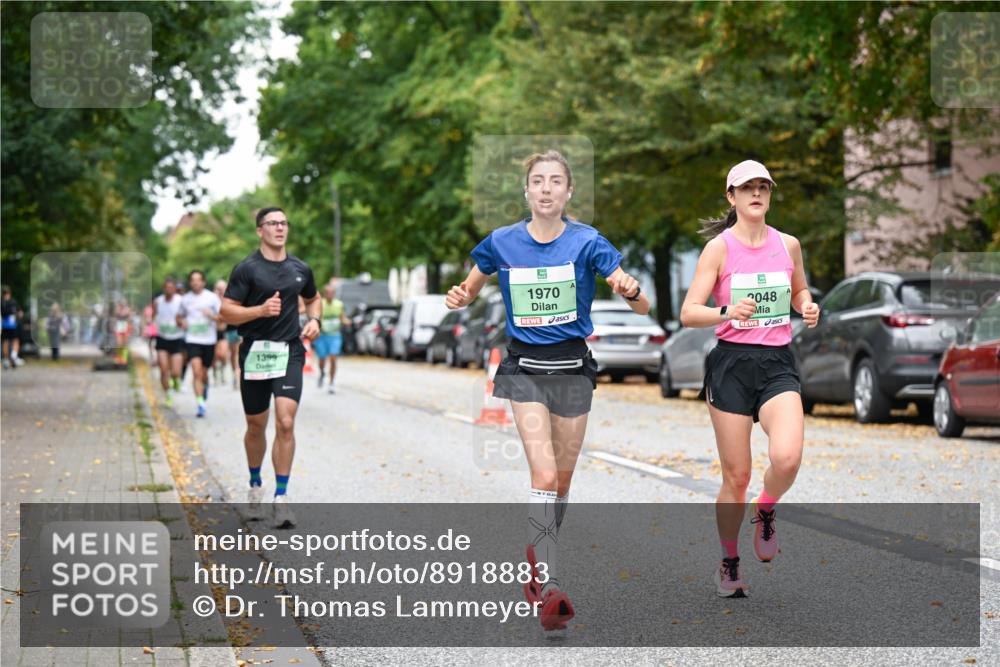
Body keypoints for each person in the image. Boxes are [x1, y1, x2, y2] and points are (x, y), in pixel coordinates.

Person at [446, 150, 649, 631]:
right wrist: (459, 295)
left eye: (556, 181)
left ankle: (537, 557)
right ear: (526, 191)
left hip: (574, 368)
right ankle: (552, 582)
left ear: (568, 192)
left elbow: (642, 308)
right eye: (538, 181)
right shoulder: (502, 242)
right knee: (541, 471)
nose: (546, 188)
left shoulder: (587, 241)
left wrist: (632, 290)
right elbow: (469, 287)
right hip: (524, 369)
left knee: (561, 481)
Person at [679, 160, 820, 599]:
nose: (756, 193)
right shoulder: (719, 249)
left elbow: (799, 290)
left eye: (763, 187)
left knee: (788, 458)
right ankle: (729, 561)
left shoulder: (788, 245)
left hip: (777, 362)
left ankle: (767, 507)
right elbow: (688, 312)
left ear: (769, 194)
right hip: (731, 365)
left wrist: (808, 305)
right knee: (736, 476)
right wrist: (727, 312)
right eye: (747, 188)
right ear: (732, 197)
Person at [221, 206, 320, 528]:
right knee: (255, 425)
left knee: (286, 422)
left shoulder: (300, 268)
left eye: (284, 223)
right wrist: (259, 311)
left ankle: (281, 497)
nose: (280, 228)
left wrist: (314, 319)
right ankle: (254, 485)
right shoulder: (247, 269)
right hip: (255, 353)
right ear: (259, 230)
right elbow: (226, 312)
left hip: (289, 351)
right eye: (272, 223)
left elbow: (313, 298)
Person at [177, 270, 222, 418]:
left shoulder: (212, 298)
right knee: (196, 371)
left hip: (209, 340)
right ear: (190, 282)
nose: (196, 282)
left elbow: (223, 317)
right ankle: (200, 403)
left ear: (203, 282)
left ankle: (205, 386)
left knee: (203, 372)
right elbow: (179, 316)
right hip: (192, 340)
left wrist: (212, 316)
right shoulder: (185, 299)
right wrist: (181, 323)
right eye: (193, 280)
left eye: (198, 280)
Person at [153, 278, 185, 407]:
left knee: (176, 371)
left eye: (171, 288)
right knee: (163, 368)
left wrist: (182, 322)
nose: (169, 290)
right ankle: (168, 394)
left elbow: (186, 316)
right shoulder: (158, 301)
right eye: (167, 288)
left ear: (174, 289)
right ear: (164, 288)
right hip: (162, 338)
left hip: (176, 338)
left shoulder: (180, 301)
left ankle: (176, 380)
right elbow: (152, 315)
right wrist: (149, 323)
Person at [313, 281, 350, 394]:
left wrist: (347, 321)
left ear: (334, 294)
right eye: (327, 293)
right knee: (322, 360)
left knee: (333, 358)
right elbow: (315, 317)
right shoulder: (320, 304)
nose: (330, 295)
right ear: (324, 294)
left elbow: (342, 317)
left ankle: (332, 382)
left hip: (335, 335)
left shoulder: (338, 304)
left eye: (332, 293)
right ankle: (322, 372)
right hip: (322, 336)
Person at [212, 280, 231, 387]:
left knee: (223, 355)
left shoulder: (228, 300)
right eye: (218, 289)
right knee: (214, 356)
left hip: (223, 331)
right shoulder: (212, 300)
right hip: (212, 332)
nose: (220, 291)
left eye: (222, 288)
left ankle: (223, 370)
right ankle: (215, 373)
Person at [1, 285, 25, 368]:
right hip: (13, 325)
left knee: (5, 341)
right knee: (15, 341)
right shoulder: (13, 301)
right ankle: (14, 357)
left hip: (4, 325)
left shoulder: (1, 302)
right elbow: (20, 313)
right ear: (9, 293)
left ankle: (7, 360)